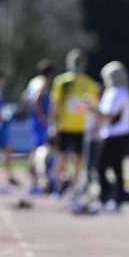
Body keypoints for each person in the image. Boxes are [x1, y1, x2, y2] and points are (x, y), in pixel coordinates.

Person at [49, 49, 98, 199]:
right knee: (61, 157)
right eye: (74, 61)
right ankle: (58, 186)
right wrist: (53, 124)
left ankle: (73, 188)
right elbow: (55, 104)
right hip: (64, 126)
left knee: (78, 159)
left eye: (80, 62)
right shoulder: (61, 82)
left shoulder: (89, 83)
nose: (77, 65)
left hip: (80, 127)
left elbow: (93, 105)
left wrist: (92, 121)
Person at [90, 61, 129, 212]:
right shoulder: (123, 92)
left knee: (99, 168)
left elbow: (108, 115)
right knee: (116, 169)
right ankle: (118, 200)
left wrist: (92, 108)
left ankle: (104, 197)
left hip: (115, 135)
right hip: (121, 134)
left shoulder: (117, 93)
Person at [22, 59, 55, 195]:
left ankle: (34, 179)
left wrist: (31, 112)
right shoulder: (42, 83)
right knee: (41, 151)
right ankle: (38, 180)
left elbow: (24, 97)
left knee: (35, 150)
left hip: (33, 120)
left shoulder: (33, 81)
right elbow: (36, 99)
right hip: (40, 122)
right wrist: (42, 117)